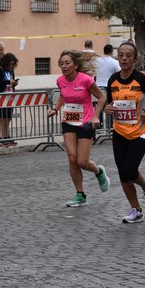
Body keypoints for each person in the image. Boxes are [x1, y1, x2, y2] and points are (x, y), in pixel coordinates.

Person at [104, 42, 145, 223]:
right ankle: (136, 210)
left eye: (128, 55)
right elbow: (111, 103)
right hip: (119, 131)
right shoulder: (112, 80)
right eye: (121, 55)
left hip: (139, 132)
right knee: (123, 173)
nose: (124, 58)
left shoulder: (141, 79)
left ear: (135, 59)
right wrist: (108, 109)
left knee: (130, 170)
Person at [47, 49, 110, 207]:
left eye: (67, 63)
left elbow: (102, 97)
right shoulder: (60, 81)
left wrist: (96, 116)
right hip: (68, 121)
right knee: (72, 158)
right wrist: (55, 109)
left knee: (82, 161)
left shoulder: (86, 80)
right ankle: (80, 194)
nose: (64, 66)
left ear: (75, 65)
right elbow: (63, 95)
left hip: (85, 122)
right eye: (61, 63)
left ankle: (98, 172)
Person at [0, 52, 19, 146]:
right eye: (10, 64)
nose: (11, 66)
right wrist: (8, 82)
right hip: (1, 96)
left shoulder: (11, 70)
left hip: (9, 96)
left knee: (7, 118)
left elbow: (11, 80)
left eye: (13, 64)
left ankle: (6, 136)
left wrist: (14, 83)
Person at [94, 44, 120, 129]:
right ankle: (111, 126)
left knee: (99, 107)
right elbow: (119, 72)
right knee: (110, 106)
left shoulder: (97, 61)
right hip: (108, 86)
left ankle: (99, 125)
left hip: (97, 86)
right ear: (112, 51)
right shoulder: (114, 62)